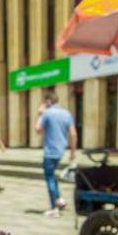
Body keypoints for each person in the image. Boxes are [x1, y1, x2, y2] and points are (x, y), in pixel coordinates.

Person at [34, 90, 75, 218]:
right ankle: (59, 199)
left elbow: (38, 130)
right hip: (61, 151)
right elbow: (73, 134)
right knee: (52, 176)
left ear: (48, 101)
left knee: (50, 178)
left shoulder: (47, 113)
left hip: (50, 151)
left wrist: (40, 114)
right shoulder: (67, 113)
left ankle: (54, 208)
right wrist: (73, 152)